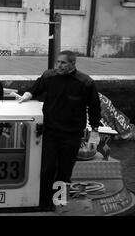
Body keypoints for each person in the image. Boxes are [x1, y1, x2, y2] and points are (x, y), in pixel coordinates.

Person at [18, 50, 101, 210]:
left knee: (64, 172)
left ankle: (59, 204)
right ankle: (43, 204)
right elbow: (37, 87)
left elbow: (94, 107)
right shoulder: (49, 76)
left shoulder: (85, 83)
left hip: (72, 135)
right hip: (51, 132)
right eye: (57, 62)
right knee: (48, 169)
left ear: (72, 64)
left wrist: (95, 130)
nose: (58, 66)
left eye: (63, 63)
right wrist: (28, 94)